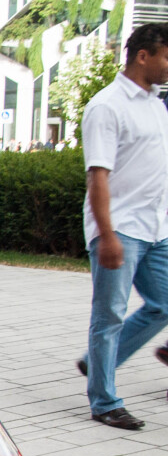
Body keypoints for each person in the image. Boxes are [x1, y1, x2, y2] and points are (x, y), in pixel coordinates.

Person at [75, 23, 168, 429]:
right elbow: (98, 176)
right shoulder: (106, 106)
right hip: (120, 228)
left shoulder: (155, 103)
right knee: (109, 315)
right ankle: (104, 401)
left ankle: (99, 360)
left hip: (156, 228)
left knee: (164, 304)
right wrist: (107, 234)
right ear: (143, 56)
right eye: (167, 56)